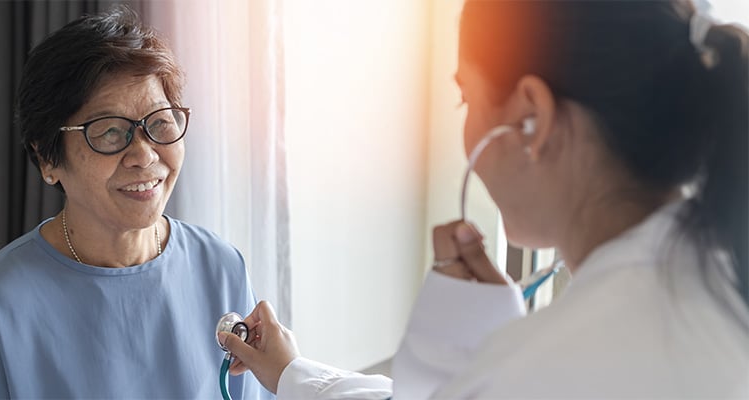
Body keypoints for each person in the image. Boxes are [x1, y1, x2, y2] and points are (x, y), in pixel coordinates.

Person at [219, 0, 749, 398]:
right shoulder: (721, 283)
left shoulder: (536, 371)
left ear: (530, 117)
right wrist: (295, 373)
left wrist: (481, 366)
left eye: (465, 96)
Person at [0, 7, 271, 399]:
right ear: (48, 159)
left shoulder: (220, 266)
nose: (144, 155)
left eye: (160, 122)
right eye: (109, 132)